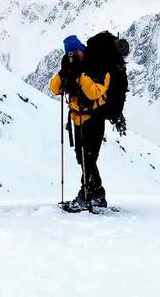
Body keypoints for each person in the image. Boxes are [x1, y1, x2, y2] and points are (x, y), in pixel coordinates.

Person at [50, 35, 111, 211]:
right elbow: (54, 88)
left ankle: (85, 196)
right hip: (77, 120)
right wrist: (64, 72)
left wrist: (79, 75)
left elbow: (94, 92)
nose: (74, 55)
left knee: (89, 158)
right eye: (70, 53)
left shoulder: (98, 66)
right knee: (82, 157)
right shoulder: (71, 68)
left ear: (81, 49)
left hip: (94, 118)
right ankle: (98, 193)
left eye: (76, 51)